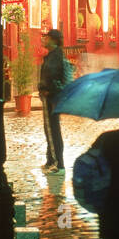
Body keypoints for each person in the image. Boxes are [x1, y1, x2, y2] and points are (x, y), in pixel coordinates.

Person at [38, 28, 69, 173]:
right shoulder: (53, 55)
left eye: (47, 37)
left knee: (52, 129)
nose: (45, 39)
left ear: (54, 40)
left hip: (52, 97)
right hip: (50, 96)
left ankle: (57, 163)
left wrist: (47, 89)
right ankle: (51, 159)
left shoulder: (55, 56)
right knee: (50, 129)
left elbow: (54, 77)